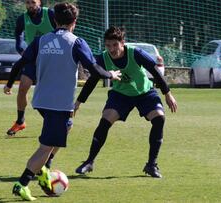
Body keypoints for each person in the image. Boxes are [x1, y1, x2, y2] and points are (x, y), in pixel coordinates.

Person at [11, 3, 121, 201]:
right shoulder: (76, 42)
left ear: (55, 21)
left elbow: (21, 62)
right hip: (58, 103)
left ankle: (44, 167)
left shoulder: (41, 40)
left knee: (66, 127)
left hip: (41, 100)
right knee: (46, 145)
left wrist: (9, 82)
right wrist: (111, 74)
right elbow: (94, 69)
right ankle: (23, 183)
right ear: (75, 22)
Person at [74, 26, 177, 178]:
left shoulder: (135, 53)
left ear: (123, 43)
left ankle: (151, 165)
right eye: (108, 45)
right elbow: (92, 80)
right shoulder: (103, 58)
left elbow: (154, 70)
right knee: (105, 121)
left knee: (159, 118)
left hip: (144, 93)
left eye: (115, 45)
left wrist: (167, 93)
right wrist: (78, 102)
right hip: (120, 95)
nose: (112, 49)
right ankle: (89, 161)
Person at [4, 0, 57, 136]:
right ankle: (20, 121)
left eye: (33, 2)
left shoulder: (50, 14)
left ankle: (56, 121)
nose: (30, 5)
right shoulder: (22, 18)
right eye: (27, 3)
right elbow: (18, 36)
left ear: (39, 2)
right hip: (32, 58)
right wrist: (21, 49)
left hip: (51, 59)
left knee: (46, 94)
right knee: (23, 88)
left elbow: (61, 31)